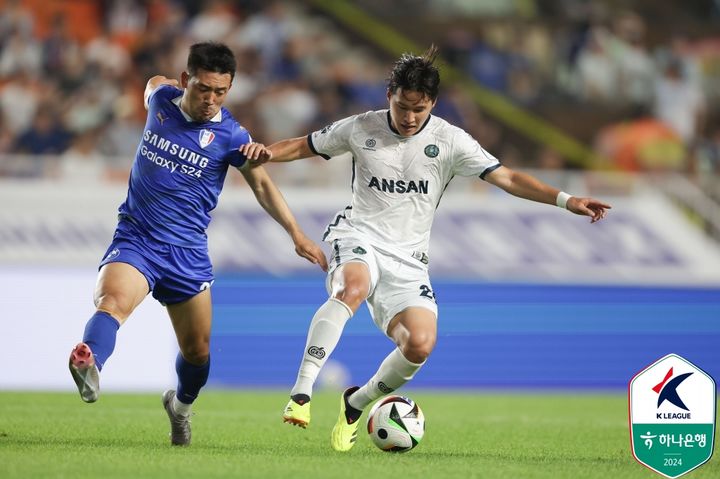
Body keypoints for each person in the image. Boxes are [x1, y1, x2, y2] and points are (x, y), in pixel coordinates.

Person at [240, 45, 611, 452]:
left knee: (419, 344)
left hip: (409, 260)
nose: (410, 117)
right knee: (352, 288)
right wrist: (265, 152)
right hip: (358, 235)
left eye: (419, 108)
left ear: (432, 102)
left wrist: (566, 200)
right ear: (389, 96)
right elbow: (304, 145)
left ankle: (355, 403)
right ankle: (302, 392)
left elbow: (507, 177)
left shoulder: (450, 140)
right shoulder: (361, 127)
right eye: (403, 106)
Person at [68, 42, 327, 447]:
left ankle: (181, 407)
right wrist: (165, 85)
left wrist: (296, 233)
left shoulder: (231, 135)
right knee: (112, 301)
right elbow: (154, 84)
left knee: (198, 351)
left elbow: (262, 184)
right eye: (203, 88)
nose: (211, 99)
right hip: (138, 238)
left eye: (220, 92)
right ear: (187, 80)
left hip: (187, 253)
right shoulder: (161, 100)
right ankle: (89, 361)